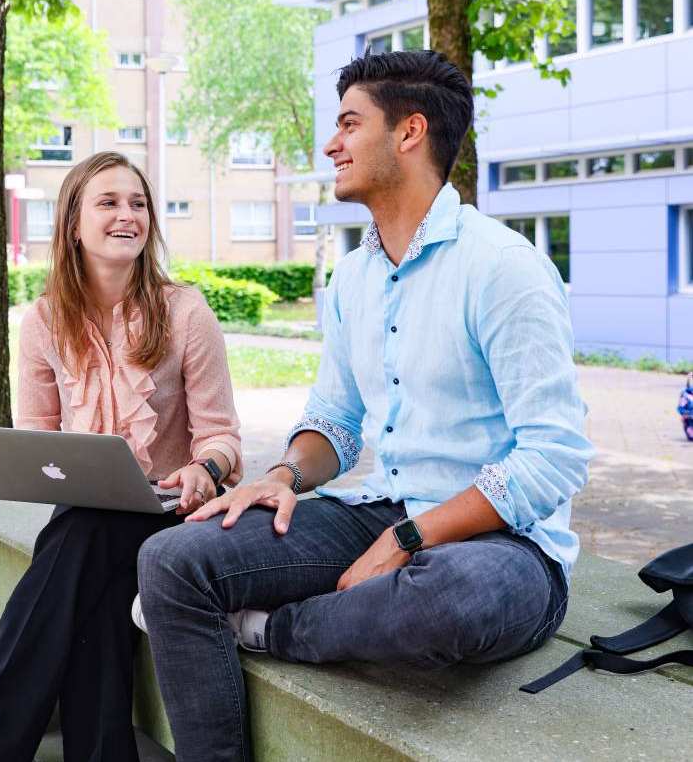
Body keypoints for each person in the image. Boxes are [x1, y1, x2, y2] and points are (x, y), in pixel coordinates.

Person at [135, 50, 595, 762]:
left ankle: (267, 630)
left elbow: (553, 457)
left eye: (349, 124)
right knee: (172, 558)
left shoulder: (502, 268)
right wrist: (283, 476)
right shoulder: (351, 276)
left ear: (409, 133)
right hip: (382, 508)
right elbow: (337, 422)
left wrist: (411, 539)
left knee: (448, 596)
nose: (330, 144)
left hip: (508, 548)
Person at [0, 152, 242, 762]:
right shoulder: (42, 322)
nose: (128, 215)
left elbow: (223, 438)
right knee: (93, 575)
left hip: (176, 514)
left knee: (81, 537)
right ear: (72, 222)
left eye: (138, 203)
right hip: (92, 517)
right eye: (109, 202)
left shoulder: (186, 312)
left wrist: (205, 469)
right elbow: (35, 438)